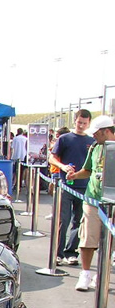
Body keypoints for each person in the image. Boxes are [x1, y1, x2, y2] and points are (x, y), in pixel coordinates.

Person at [66, 115, 115, 291]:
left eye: (96, 133)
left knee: (110, 241)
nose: (93, 136)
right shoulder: (94, 147)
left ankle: (102, 274)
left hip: (112, 202)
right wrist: (74, 175)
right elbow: (88, 170)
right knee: (87, 237)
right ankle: (85, 274)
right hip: (93, 199)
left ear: (106, 131)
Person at [48, 109, 94, 265]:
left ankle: (71, 252)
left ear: (89, 123)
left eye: (84, 123)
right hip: (66, 185)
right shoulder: (65, 139)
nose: (81, 125)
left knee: (79, 220)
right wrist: (63, 166)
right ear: (75, 121)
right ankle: (58, 252)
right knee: (63, 219)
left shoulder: (92, 141)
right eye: (79, 122)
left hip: (84, 187)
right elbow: (52, 157)